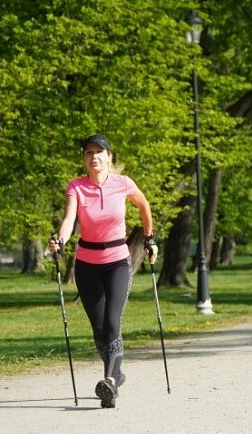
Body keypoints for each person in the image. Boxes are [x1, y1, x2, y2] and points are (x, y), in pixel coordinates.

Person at [49, 134, 157, 409]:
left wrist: (149, 238)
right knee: (99, 328)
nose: (94, 156)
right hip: (86, 264)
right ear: (83, 158)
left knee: (112, 322)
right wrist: (60, 240)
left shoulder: (123, 183)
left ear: (109, 156)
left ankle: (108, 381)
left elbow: (144, 206)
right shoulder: (76, 188)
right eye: (89, 152)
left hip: (117, 261)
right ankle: (117, 374)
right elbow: (69, 219)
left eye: (99, 152)